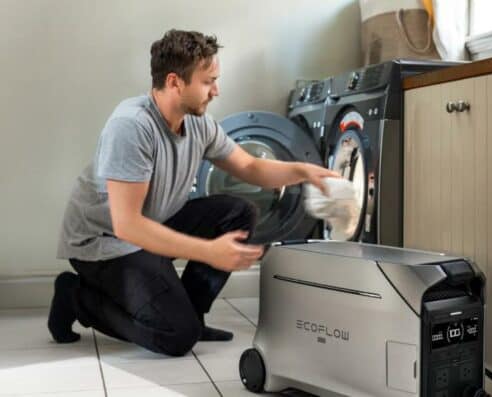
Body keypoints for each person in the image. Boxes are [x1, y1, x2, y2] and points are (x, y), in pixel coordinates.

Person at [49, 29, 337, 356]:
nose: (217, 90)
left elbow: (250, 168)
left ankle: (191, 314)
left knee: (238, 213)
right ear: (175, 82)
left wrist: (303, 171)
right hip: (104, 241)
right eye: (208, 81)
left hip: (150, 224)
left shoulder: (199, 122)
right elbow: (126, 225)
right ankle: (75, 296)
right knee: (175, 336)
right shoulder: (131, 126)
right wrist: (208, 251)